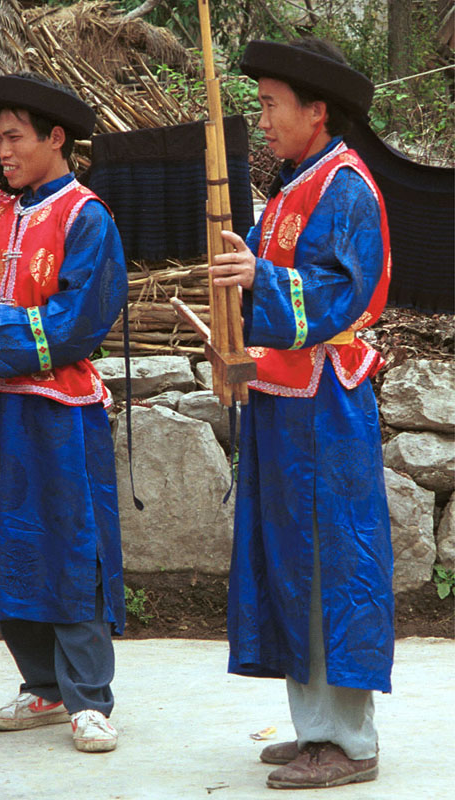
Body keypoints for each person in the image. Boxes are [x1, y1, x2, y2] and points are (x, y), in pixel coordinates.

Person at [0, 72, 128, 753]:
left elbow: (79, 322)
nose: (2, 151)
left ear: (54, 138)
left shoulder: (86, 217)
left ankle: (89, 700)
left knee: (68, 543)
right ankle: (41, 685)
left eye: (13, 138)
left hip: (58, 415)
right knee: (5, 542)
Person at [209, 38, 394, 789]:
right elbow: (261, 281)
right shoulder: (291, 187)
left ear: (316, 112)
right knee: (291, 563)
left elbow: (341, 294)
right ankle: (315, 727)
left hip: (326, 403)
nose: (264, 119)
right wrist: (235, 284)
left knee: (332, 566)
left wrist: (259, 276)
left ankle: (350, 741)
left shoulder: (345, 185)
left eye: (272, 105)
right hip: (285, 400)